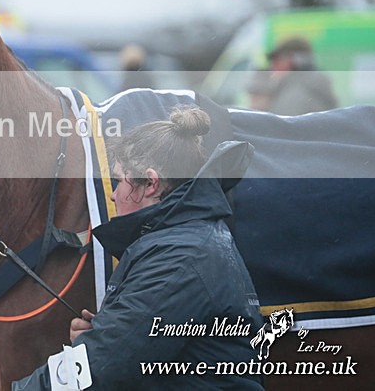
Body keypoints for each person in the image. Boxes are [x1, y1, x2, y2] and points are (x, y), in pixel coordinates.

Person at [13, 107, 264, 390]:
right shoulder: (185, 240)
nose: (113, 193)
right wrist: (108, 330)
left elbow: (104, 365)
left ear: (150, 183)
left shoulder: (179, 258)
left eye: (120, 180)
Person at [245, 37, 338, 115]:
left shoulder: (301, 88)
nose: (273, 65)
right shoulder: (285, 85)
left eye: (278, 60)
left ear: (297, 60)